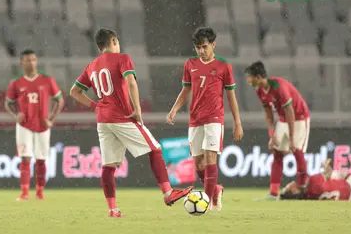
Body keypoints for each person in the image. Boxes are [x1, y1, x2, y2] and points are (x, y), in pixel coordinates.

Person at [70, 29, 193, 218]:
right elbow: (132, 82)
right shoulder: (122, 58)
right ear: (113, 41)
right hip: (121, 116)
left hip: (103, 120)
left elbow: (74, 92)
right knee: (156, 149)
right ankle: (168, 193)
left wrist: (96, 105)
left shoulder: (92, 66)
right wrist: (138, 109)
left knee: (108, 166)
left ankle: (112, 209)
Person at [167, 27, 244, 211]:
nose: (201, 51)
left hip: (214, 118)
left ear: (213, 45)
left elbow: (231, 96)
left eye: (204, 47)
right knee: (198, 163)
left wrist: (237, 123)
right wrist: (174, 109)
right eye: (197, 47)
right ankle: (215, 189)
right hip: (195, 119)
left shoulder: (224, 66)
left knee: (210, 157)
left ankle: (207, 202)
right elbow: (186, 90)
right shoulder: (190, 64)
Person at [245, 61, 310, 200]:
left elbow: (290, 112)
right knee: (277, 152)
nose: (248, 80)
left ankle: (303, 188)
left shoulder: (279, 87)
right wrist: (272, 134)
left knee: (297, 151)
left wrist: (292, 139)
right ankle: (273, 194)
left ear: (257, 77)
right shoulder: (260, 90)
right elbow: (268, 113)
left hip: (299, 117)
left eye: (249, 77)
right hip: (283, 119)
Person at [5, 49, 64, 201]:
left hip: (43, 125)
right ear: (21, 62)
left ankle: (39, 192)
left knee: (41, 160)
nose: (31, 62)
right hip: (24, 125)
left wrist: (51, 118)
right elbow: (8, 103)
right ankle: (24, 193)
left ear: (36, 61)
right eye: (28, 60)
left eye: (33, 59)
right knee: (25, 158)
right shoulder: (16, 82)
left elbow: (60, 100)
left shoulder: (47, 80)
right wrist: (15, 115)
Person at [280, 159, 351, 201]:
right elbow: (329, 176)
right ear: (294, 190)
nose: (287, 184)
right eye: (287, 187)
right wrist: (326, 167)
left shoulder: (308, 190)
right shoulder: (311, 187)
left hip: (347, 190)